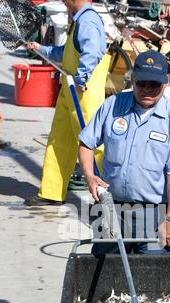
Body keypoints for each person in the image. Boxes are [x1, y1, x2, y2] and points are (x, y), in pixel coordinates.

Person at [78, 50, 170, 255]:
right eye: (142, 83)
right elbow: (86, 144)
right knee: (104, 274)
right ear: (133, 80)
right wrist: (90, 176)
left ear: (165, 83)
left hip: (154, 214)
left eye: (154, 84)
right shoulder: (112, 105)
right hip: (111, 209)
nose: (148, 90)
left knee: (154, 279)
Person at [25, 0, 111, 206]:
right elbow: (65, 53)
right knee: (59, 142)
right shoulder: (78, 20)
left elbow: (93, 52)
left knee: (94, 147)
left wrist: (81, 79)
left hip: (83, 95)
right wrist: (40, 49)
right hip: (70, 93)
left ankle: (106, 196)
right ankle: (51, 193)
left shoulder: (88, 20)